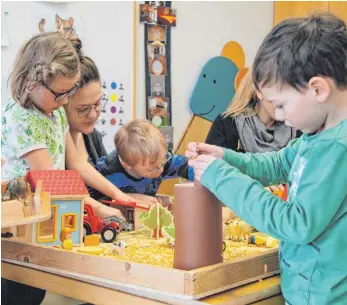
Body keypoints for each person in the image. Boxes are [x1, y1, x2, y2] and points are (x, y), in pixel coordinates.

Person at [186, 13, 347, 305]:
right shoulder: (317, 136)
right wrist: (225, 157)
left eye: (281, 105)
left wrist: (222, 177)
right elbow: (277, 164)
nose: (281, 116)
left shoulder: (337, 148)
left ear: (318, 89)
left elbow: (295, 223)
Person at [64, 45, 160, 208]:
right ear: (61, 103)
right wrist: (121, 197)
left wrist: (126, 196)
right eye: (83, 109)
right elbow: (68, 201)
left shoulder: (91, 136)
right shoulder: (56, 146)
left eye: (98, 103)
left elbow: (103, 189)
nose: (94, 114)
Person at [92, 119, 193, 200]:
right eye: (152, 169)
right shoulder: (107, 170)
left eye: (162, 162)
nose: (161, 170)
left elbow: (189, 167)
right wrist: (130, 198)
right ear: (127, 164)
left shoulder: (163, 161)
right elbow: (90, 199)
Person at [206, 70, 301, 153]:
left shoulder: (298, 133)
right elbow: (211, 169)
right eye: (279, 92)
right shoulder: (226, 124)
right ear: (260, 92)